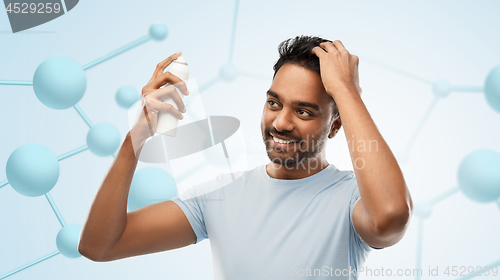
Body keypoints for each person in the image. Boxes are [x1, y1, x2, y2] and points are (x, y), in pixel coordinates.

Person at [78, 36, 413, 279]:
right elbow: (100, 246)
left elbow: (391, 217)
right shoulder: (219, 196)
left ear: (335, 124)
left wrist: (346, 91)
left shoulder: (352, 199)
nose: (281, 122)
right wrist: (136, 137)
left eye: (305, 111)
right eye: (274, 103)